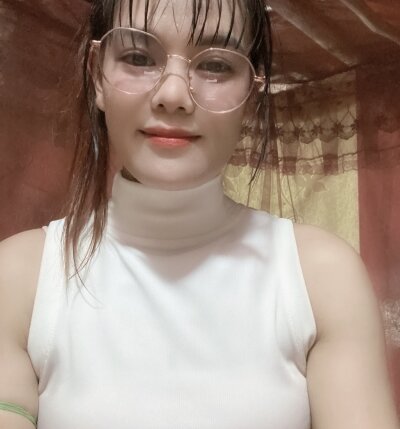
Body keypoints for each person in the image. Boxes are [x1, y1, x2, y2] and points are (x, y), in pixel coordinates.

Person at [0, 0, 399, 428]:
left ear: (253, 93)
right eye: (138, 57)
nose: (173, 96)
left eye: (215, 65)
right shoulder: (20, 280)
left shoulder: (321, 278)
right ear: (97, 75)